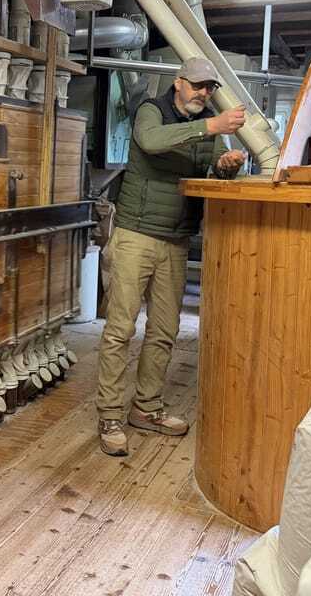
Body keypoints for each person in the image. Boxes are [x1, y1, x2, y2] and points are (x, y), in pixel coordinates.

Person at [98, 57, 247, 456]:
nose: (204, 93)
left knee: (164, 331)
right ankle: (109, 415)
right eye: (197, 85)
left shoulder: (208, 123)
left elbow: (214, 173)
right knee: (120, 330)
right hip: (136, 235)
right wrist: (210, 127)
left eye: (209, 88)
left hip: (176, 239)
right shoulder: (153, 110)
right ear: (178, 82)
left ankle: (145, 409)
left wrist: (227, 165)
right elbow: (151, 141)